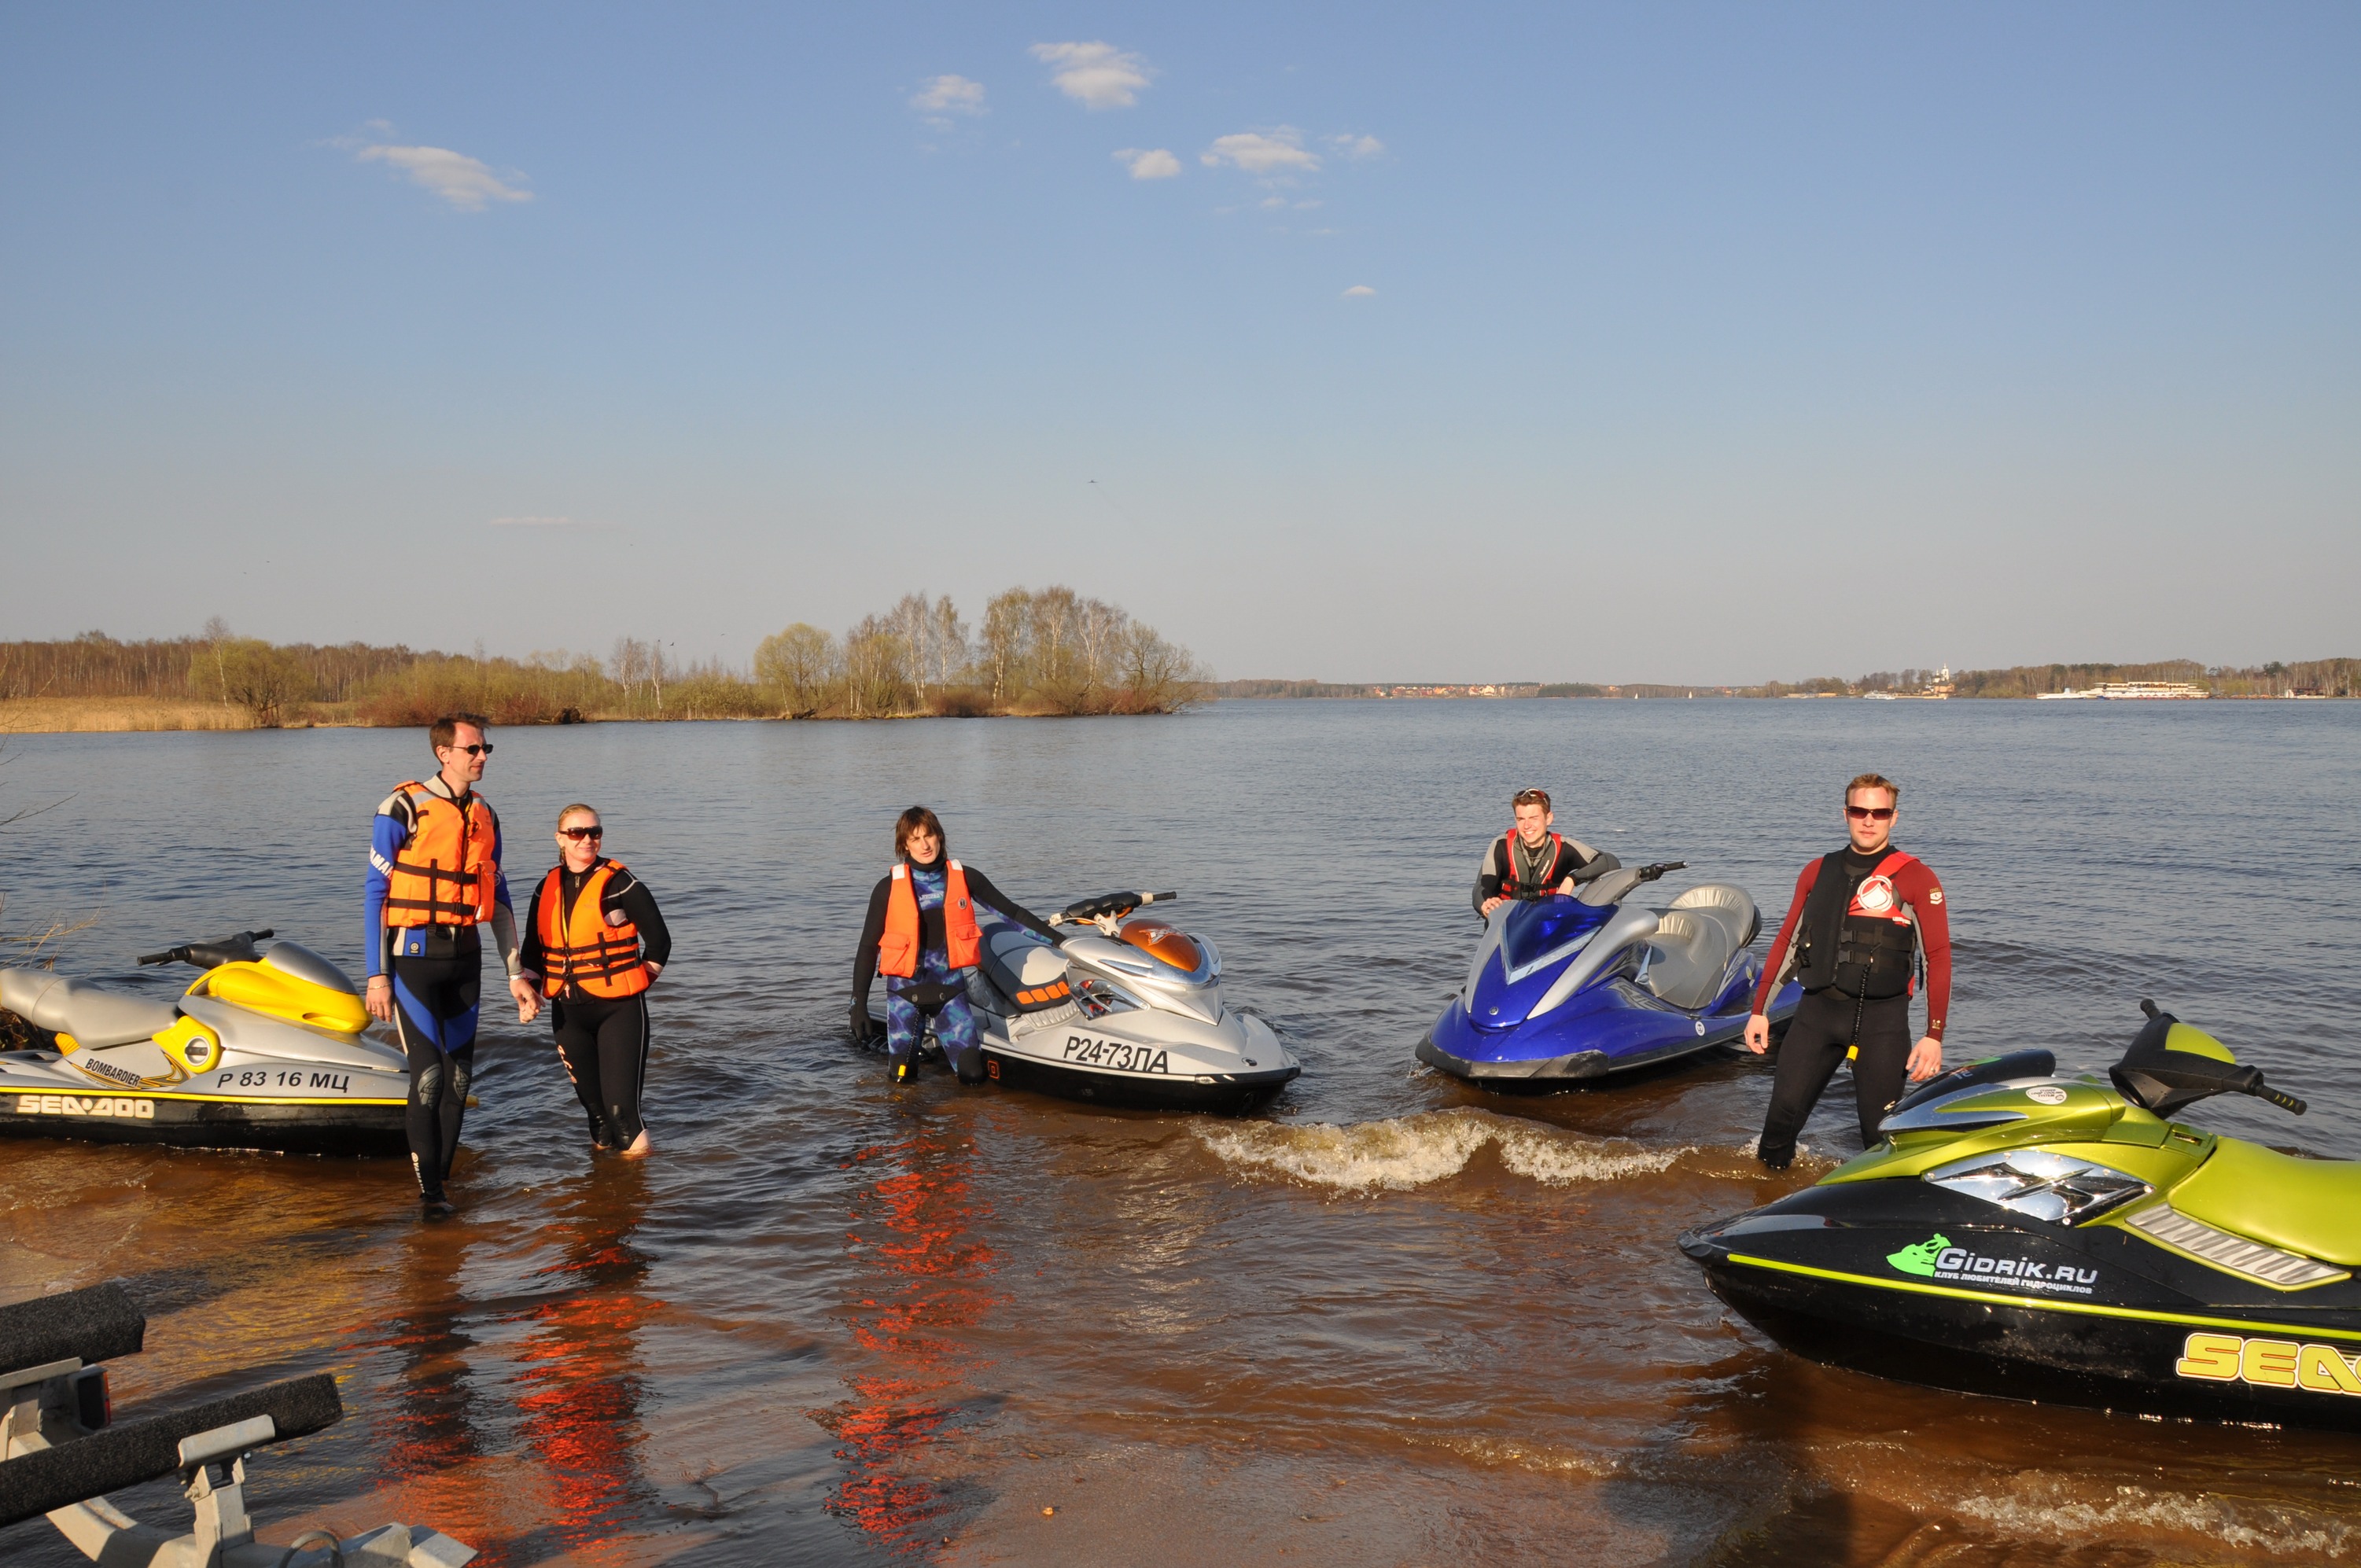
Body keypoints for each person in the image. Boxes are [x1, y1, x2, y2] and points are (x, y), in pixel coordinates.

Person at [364, 712, 540, 1218]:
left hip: (466, 957)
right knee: (428, 1078)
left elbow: (499, 898)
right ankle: (431, 1196)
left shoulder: (486, 814)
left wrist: (516, 973)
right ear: (444, 753)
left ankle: (441, 1185)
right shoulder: (402, 806)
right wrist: (377, 975)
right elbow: (375, 893)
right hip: (412, 958)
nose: (482, 757)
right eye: (473, 749)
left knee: (459, 1079)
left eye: (486, 749)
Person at [1744, 772, 1952, 1169]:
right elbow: (1787, 941)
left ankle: (1879, 1203)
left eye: (1880, 812)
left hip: (1883, 1023)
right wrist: (1760, 1011)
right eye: (1859, 811)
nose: (1869, 820)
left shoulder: (1916, 877)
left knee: (1878, 1138)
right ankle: (1767, 1196)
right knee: (1779, 1126)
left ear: (1894, 817)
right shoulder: (1816, 871)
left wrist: (1934, 1036)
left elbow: (1938, 956)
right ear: (1846, 814)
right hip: (1816, 1015)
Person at [849, 806, 1061, 1084]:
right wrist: (858, 1004)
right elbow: (868, 947)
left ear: (940, 836)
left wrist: (1062, 942)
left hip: (950, 994)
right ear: (905, 845)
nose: (925, 845)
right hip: (905, 997)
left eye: (929, 835)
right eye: (915, 839)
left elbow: (1013, 914)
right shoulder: (887, 887)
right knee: (902, 1081)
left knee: (973, 1076)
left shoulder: (965, 877)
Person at [521, 804, 672, 1158]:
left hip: (619, 1011)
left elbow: (660, 943)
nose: (587, 839)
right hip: (567, 1014)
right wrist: (529, 990)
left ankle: (639, 1187)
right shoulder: (546, 888)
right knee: (598, 1119)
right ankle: (602, 1187)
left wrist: (636, 984)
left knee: (622, 1115)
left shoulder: (621, 883)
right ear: (560, 838)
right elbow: (532, 949)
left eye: (595, 832)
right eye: (577, 832)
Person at [1473, 788, 1620, 916]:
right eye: (1521, 819)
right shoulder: (1501, 845)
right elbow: (1481, 887)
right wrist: (1485, 904)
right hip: (1506, 923)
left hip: (1547, 923)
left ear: (1549, 818)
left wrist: (1572, 879)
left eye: (1533, 818)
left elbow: (1610, 862)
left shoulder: (1564, 847)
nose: (1527, 826)